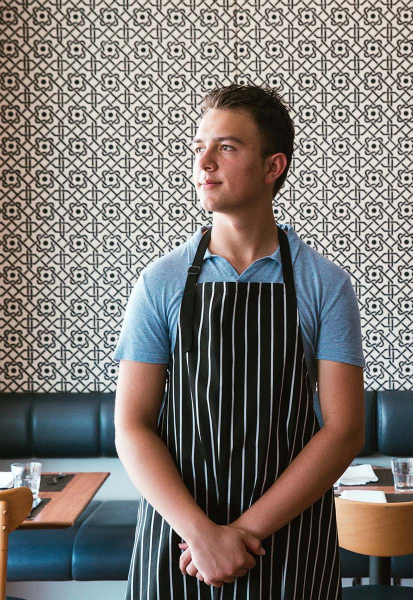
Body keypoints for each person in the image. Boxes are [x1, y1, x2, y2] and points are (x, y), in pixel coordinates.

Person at [112, 83, 365, 599]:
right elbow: (132, 427)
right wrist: (202, 535)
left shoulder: (325, 285)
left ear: (273, 167)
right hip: (180, 544)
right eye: (199, 146)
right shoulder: (160, 282)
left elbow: (343, 431)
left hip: (287, 542)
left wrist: (244, 532)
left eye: (226, 147)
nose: (203, 162)